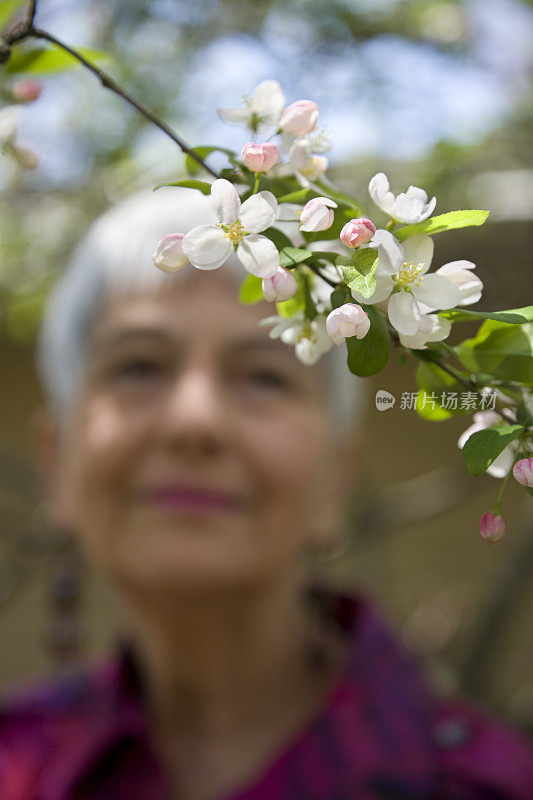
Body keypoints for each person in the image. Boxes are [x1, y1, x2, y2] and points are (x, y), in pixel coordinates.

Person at [0, 188, 531, 800]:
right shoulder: (19, 766)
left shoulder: (486, 784)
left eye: (263, 376)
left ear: (336, 480)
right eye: (139, 367)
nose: (194, 421)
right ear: (56, 464)